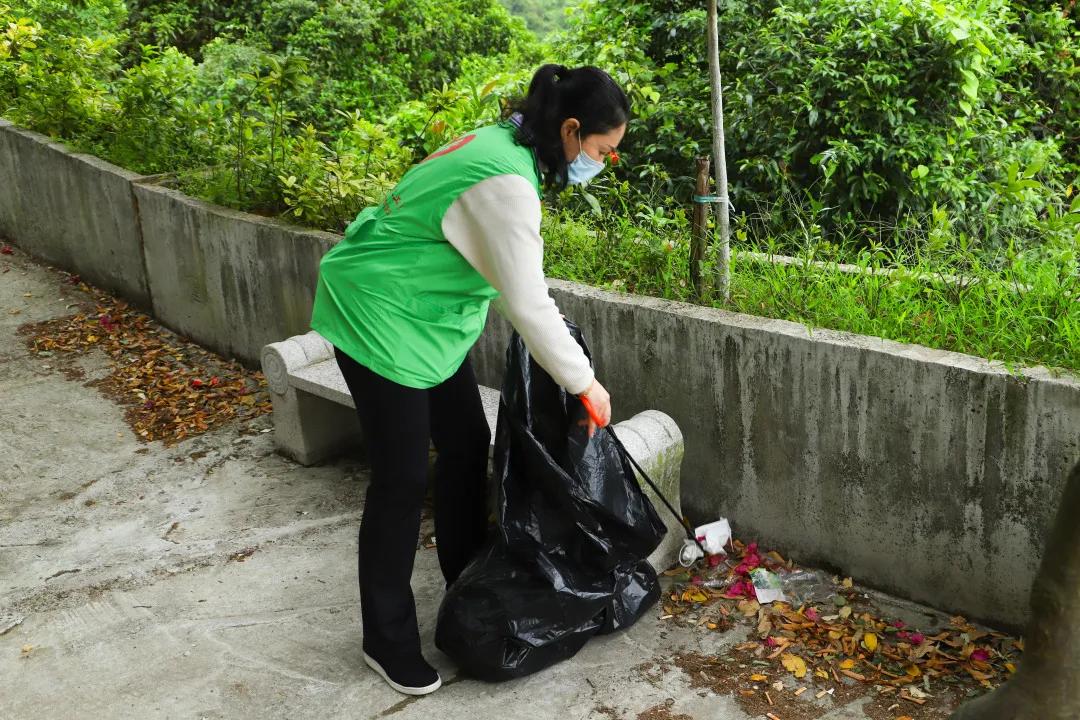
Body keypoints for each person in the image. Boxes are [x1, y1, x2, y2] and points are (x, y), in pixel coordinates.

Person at [308, 63, 628, 695]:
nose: (602, 166)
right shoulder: (506, 181)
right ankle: (387, 639)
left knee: (464, 443)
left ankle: (466, 577)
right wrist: (585, 384)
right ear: (570, 130)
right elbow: (528, 303)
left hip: (426, 317)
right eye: (601, 152)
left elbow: (511, 280)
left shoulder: (505, 143)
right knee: (400, 480)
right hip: (378, 311)